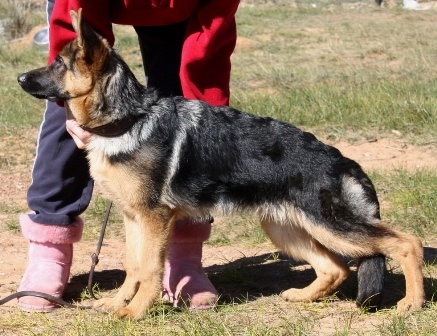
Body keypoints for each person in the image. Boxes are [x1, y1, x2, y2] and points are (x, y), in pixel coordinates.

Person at [18, 0, 240, 312]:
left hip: (183, 14)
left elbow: (208, 44)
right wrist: (72, 112)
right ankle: (49, 250)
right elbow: (75, 22)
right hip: (88, 7)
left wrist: (206, 116)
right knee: (70, 106)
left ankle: (184, 257)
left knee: (186, 125)